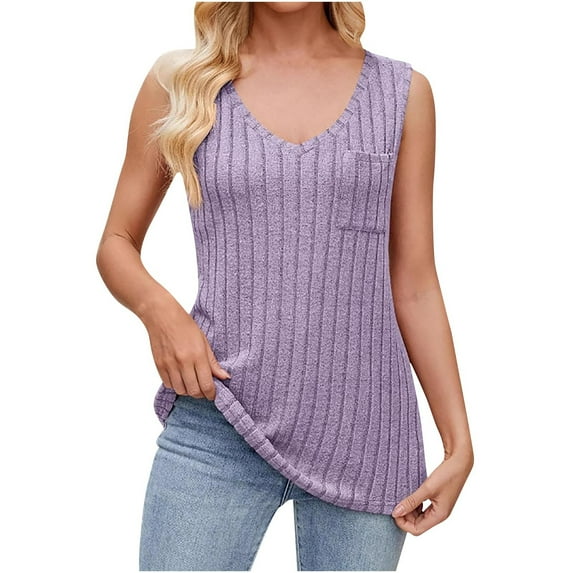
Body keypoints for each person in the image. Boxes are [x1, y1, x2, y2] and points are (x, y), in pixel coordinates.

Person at [96, 2, 474, 571]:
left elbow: (415, 281)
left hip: (363, 435)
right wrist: (162, 313)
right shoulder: (183, 82)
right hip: (219, 417)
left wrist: (457, 442)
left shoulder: (402, 94)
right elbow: (116, 241)